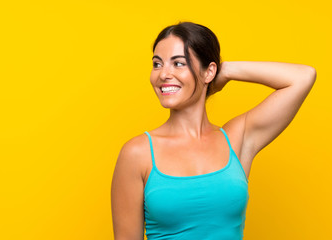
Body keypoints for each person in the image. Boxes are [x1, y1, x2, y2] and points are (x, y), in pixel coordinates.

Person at [111, 21, 316, 240]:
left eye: (178, 63)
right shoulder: (137, 153)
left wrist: (226, 70)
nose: (163, 74)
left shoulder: (236, 139)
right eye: (157, 64)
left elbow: (303, 77)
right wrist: (206, 74)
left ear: (209, 71)